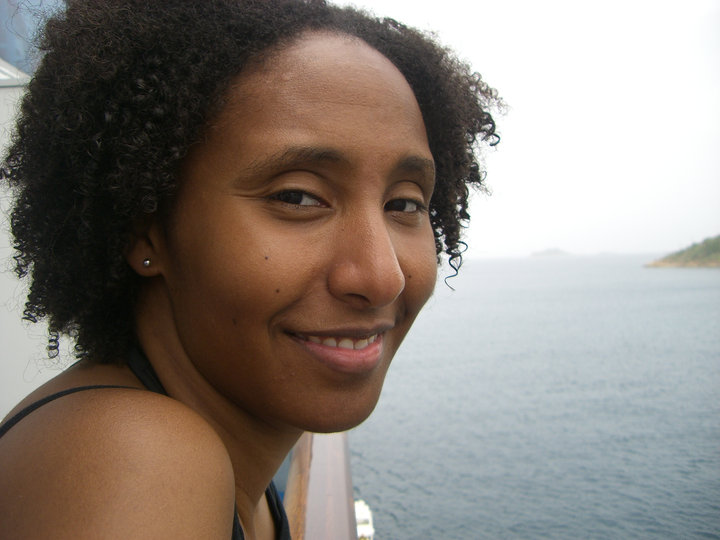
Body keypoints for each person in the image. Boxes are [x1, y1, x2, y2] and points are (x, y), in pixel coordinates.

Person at [0, 0, 500, 538]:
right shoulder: (135, 461)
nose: (382, 277)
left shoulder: (227, 471)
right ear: (144, 229)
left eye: (404, 204)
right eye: (298, 196)